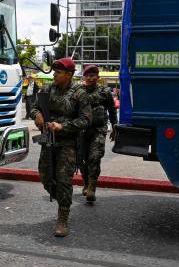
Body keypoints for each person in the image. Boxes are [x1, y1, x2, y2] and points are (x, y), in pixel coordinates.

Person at [29, 58, 92, 237]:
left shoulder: (80, 93)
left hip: (68, 143)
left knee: (64, 180)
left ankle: (63, 217)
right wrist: (37, 115)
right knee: (46, 177)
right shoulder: (48, 89)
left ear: (69, 75)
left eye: (58, 72)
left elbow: (86, 119)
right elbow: (33, 106)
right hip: (48, 140)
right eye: (54, 71)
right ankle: (64, 200)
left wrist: (63, 126)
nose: (54, 74)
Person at [80, 65, 118, 202]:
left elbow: (112, 110)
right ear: (84, 77)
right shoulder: (79, 91)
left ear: (98, 77)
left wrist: (115, 126)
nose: (90, 78)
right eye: (88, 76)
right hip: (81, 131)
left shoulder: (105, 92)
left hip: (99, 130)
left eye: (93, 75)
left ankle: (91, 187)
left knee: (94, 158)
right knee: (81, 159)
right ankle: (86, 182)